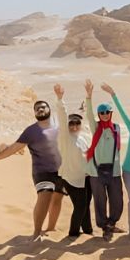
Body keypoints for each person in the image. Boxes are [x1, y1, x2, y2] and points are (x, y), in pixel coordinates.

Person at [0, 99, 64, 241]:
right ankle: (36, 232)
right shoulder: (31, 131)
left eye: (43, 107)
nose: (40, 109)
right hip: (42, 171)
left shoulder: (58, 127)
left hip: (61, 170)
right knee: (45, 195)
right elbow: (13, 148)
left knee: (57, 197)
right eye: (37, 108)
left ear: (49, 110)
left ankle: (51, 228)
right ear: (35, 113)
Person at [88, 82, 130, 238]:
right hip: (118, 171)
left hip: (125, 172)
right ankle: (111, 228)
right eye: (102, 112)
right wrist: (108, 95)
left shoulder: (121, 130)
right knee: (128, 200)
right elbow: (122, 112)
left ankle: (125, 227)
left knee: (128, 202)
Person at [84, 80, 124, 241]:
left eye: (107, 112)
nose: (105, 114)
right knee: (100, 201)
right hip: (96, 171)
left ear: (111, 113)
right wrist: (89, 96)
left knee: (117, 200)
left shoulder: (117, 128)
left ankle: (112, 222)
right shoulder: (96, 128)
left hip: (114, 171)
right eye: (102, 112)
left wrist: (113, 94)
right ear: (99, 115)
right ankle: (104, 226)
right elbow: (88, 115)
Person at [53, 84, 93, 238]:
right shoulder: (65, 138)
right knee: (80, 206)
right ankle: (73, 234)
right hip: (72, 179)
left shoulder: (82, 137)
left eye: (77, 123)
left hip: (85, 178)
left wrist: (88, 97)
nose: (75, 126)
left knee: (85, 206)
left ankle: (88, 231)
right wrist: (60, 99)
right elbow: (62, 118)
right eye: (72, 123)